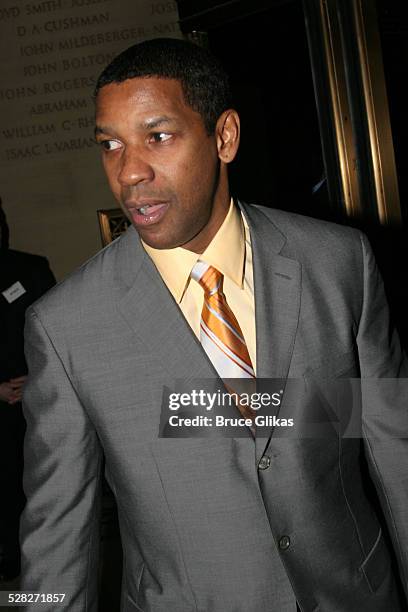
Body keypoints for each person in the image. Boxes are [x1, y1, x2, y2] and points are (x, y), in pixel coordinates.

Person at [20, 38, 407, 611]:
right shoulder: (66, 326)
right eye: (110, 144)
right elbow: (56, 538)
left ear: (224, 137)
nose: (128, 172)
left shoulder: (338, 261)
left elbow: (394, 446)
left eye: (158, 136)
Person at [0, 201, 55, 581]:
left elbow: (57, 333)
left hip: (36, 402)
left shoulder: (30, 269)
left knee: (37, 487)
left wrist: (38, 377)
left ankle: (36, 569)